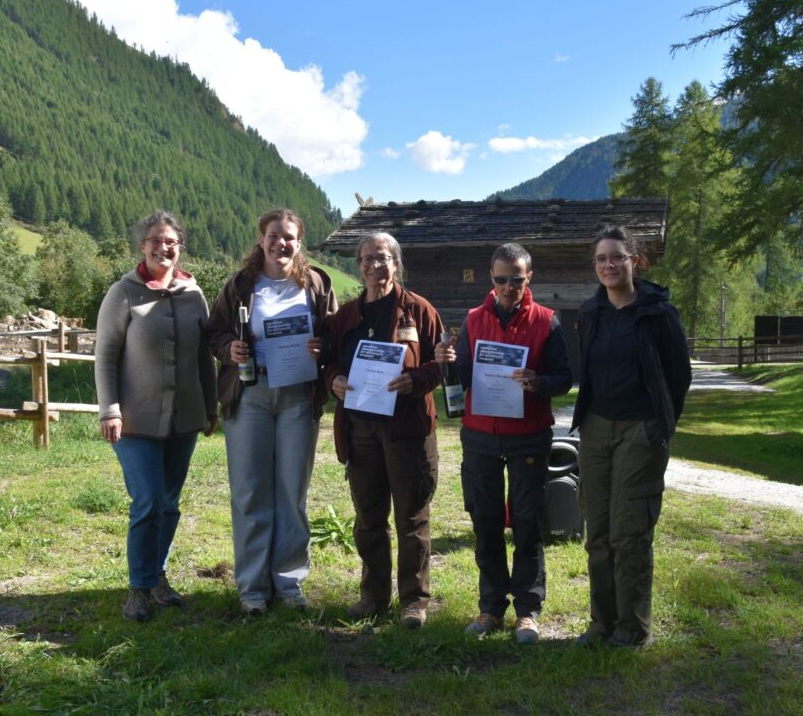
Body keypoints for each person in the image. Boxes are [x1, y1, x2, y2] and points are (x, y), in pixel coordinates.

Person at [434, 243, 572, 644]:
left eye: (516, 279)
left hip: (528, 437)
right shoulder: (474, 320)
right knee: (486, 522)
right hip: (480, 438)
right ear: (490, 279)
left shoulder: (548, 321)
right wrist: (446, 361)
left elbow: (565, 377)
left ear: (529, 278)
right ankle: (491, 608)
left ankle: (528, 611)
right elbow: (461, 375)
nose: (509, 287)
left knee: (528, 524)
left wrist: (539, 382)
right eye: (501, 279)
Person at [205, 209, 337, 614]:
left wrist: (323, 347)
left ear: (300, 243)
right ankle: (253, 588)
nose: (282, 243)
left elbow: (334, 333)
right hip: (251, 393)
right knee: (250, 491)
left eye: (290, 237)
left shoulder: (315, 283)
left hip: (298, 395)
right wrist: (230, 349)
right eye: (274, 236)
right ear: (261, 240)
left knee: (291, 492)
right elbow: (215, 333)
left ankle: (289, 581)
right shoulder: (242, 284)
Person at [572, 225, 691, 649]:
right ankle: (601, 623)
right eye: (601, 259)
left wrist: (660, 425)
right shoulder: (590, 314)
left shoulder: (658, 313)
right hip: (595, 428)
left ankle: (632, 628)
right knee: (599, 532)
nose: (609, 265)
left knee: (630, 532)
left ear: (633, 261)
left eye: (617, 257)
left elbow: (679, 376)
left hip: (641, 429)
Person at [95, 210, 217, 622]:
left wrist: (211, 406)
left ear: (180, 246)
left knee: (169, 502)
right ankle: (139, 586)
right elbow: (106, 354)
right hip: (135, 420)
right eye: (155, 240)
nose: (163, 247)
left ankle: (157, 576)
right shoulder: (123, 293)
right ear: (142, 246)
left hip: (184, 419)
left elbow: (205, 357)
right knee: (147, 500)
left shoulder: (193, 294)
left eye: (171, 241)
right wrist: (109, 409)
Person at [323, 232, 443, 629]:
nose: (375, 266)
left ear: (396, 262)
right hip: (360, 429)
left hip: (407, 429)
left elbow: (442, 363)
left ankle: (414, 601)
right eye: (367, 259)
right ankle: (373, 596)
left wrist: (416, 380)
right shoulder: (346, 316)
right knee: (368, 517)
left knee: (411, 517)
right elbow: (328, 361)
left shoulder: (419, 311)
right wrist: (334, 381)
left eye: (383, 258)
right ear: (359, 266)